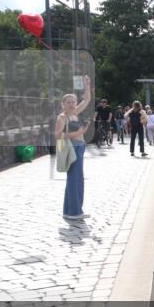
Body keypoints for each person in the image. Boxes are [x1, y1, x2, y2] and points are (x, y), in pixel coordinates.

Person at [55, 75, 92, 219]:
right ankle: (75, 212)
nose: (71, 104)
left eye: (73, 101)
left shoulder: (75, 113)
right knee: (75, 179)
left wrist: (86, 85)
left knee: (76, 179)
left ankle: (68, 211)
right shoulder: (62, 117)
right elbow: (57, 135)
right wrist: (77, 133)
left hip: (79, 147)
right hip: (72, 148)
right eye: (68, 102)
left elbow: (87, 100)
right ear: (62, 104)